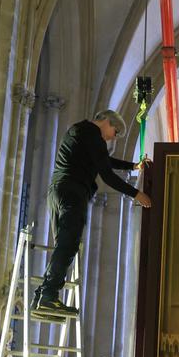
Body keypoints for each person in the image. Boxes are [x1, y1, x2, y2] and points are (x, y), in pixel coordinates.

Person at [32, 110, 153, 317]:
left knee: (63, 245)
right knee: (68, 245)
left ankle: (41, 297)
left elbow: (104, 160)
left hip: (58, 191)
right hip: (73, 193)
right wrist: (136, 194)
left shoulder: (80, 131)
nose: (113, 137)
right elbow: (106, 174)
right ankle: (49, 296)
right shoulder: (93, 135)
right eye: (115, 132)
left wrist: (133, 166)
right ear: (106, 122)